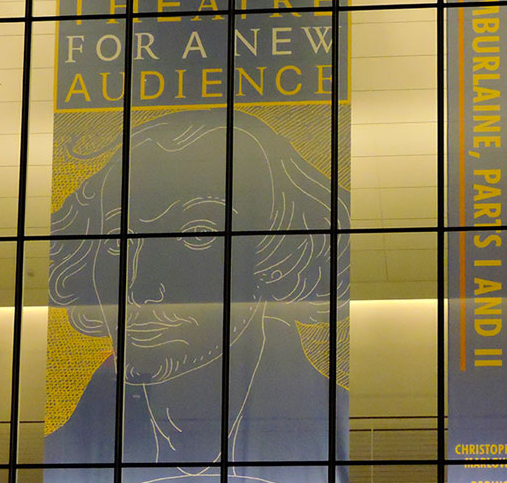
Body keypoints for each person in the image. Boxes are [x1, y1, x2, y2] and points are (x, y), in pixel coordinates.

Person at [45, 109, 350, 483]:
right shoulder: (62, 454)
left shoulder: (339, 432)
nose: (139, 289)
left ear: (275, 253)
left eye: (198, 235)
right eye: (117, 241)